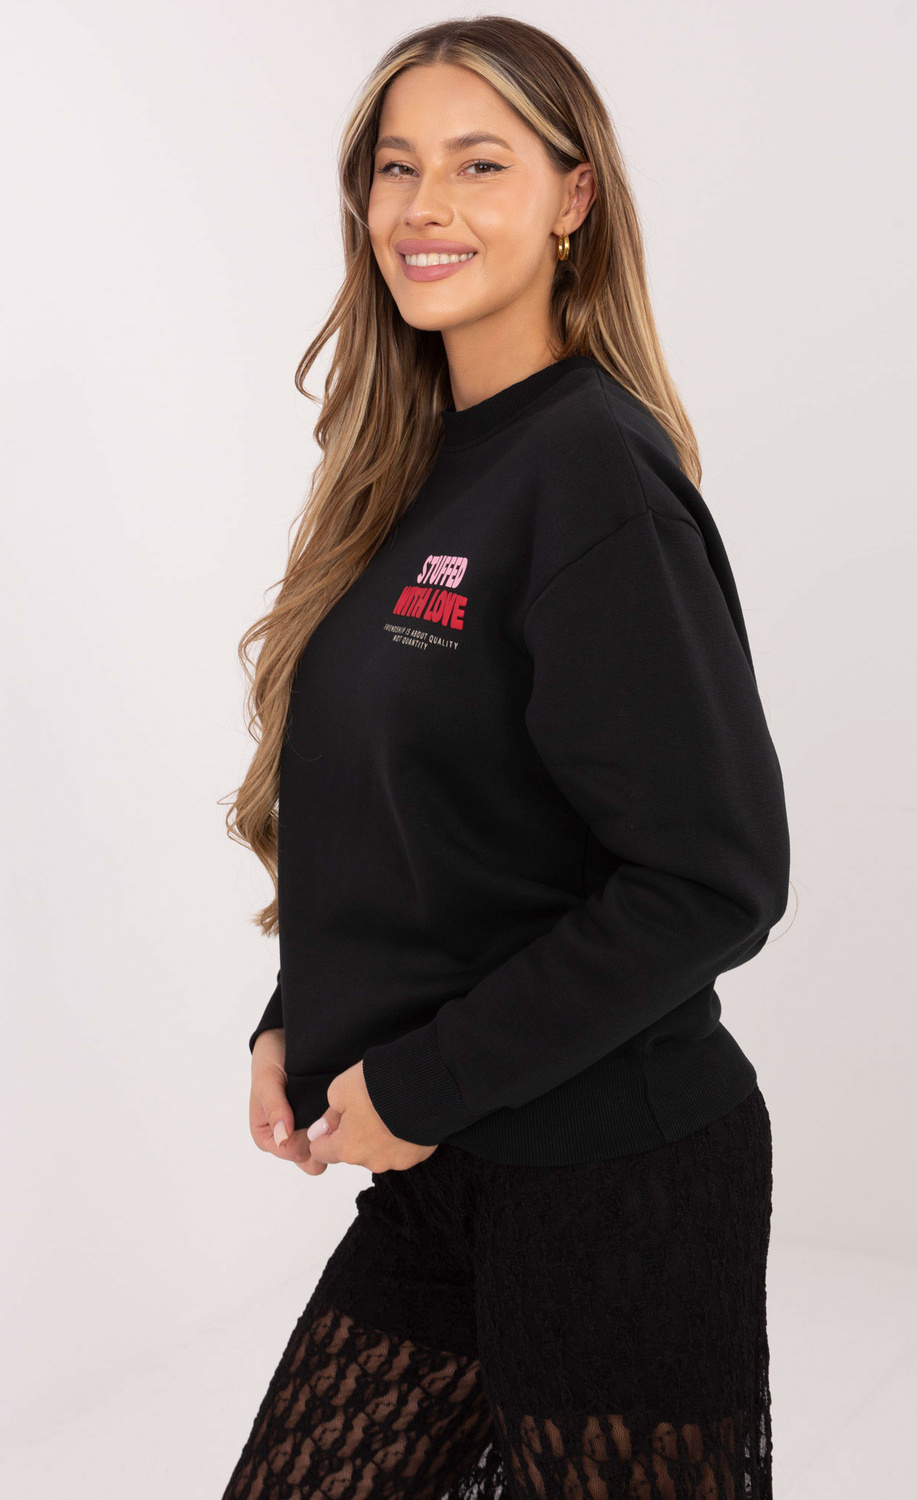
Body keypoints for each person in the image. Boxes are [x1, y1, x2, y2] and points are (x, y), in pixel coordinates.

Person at [220, 15, 790, 1499]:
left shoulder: (594, 470)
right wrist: (303, 1015)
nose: (427, 206)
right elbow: (425, 823)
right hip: (447, 1170)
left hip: (613, 1183)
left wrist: (418, 1084)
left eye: (481, 165)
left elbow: (713, 879)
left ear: (572, 197)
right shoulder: (411, 469)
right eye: (396, 167)